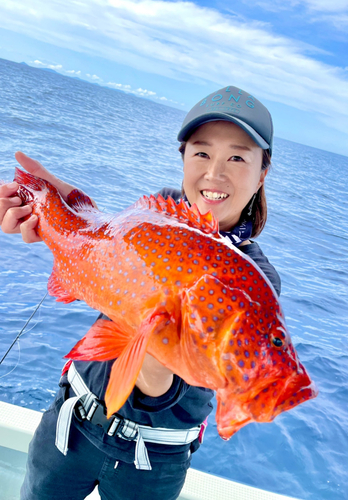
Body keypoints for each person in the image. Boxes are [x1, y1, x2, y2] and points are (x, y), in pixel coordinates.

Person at [0, 85, 281, 500]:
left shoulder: (255, 285)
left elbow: (170, 390)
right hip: (71, 424)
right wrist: (59, 208)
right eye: (201, 153)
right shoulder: (157, 213)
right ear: (184, 159)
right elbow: (99, 247)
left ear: (262, 172)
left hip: (154, 460)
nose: (215, 173)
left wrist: (155, 350)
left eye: (237, 157)